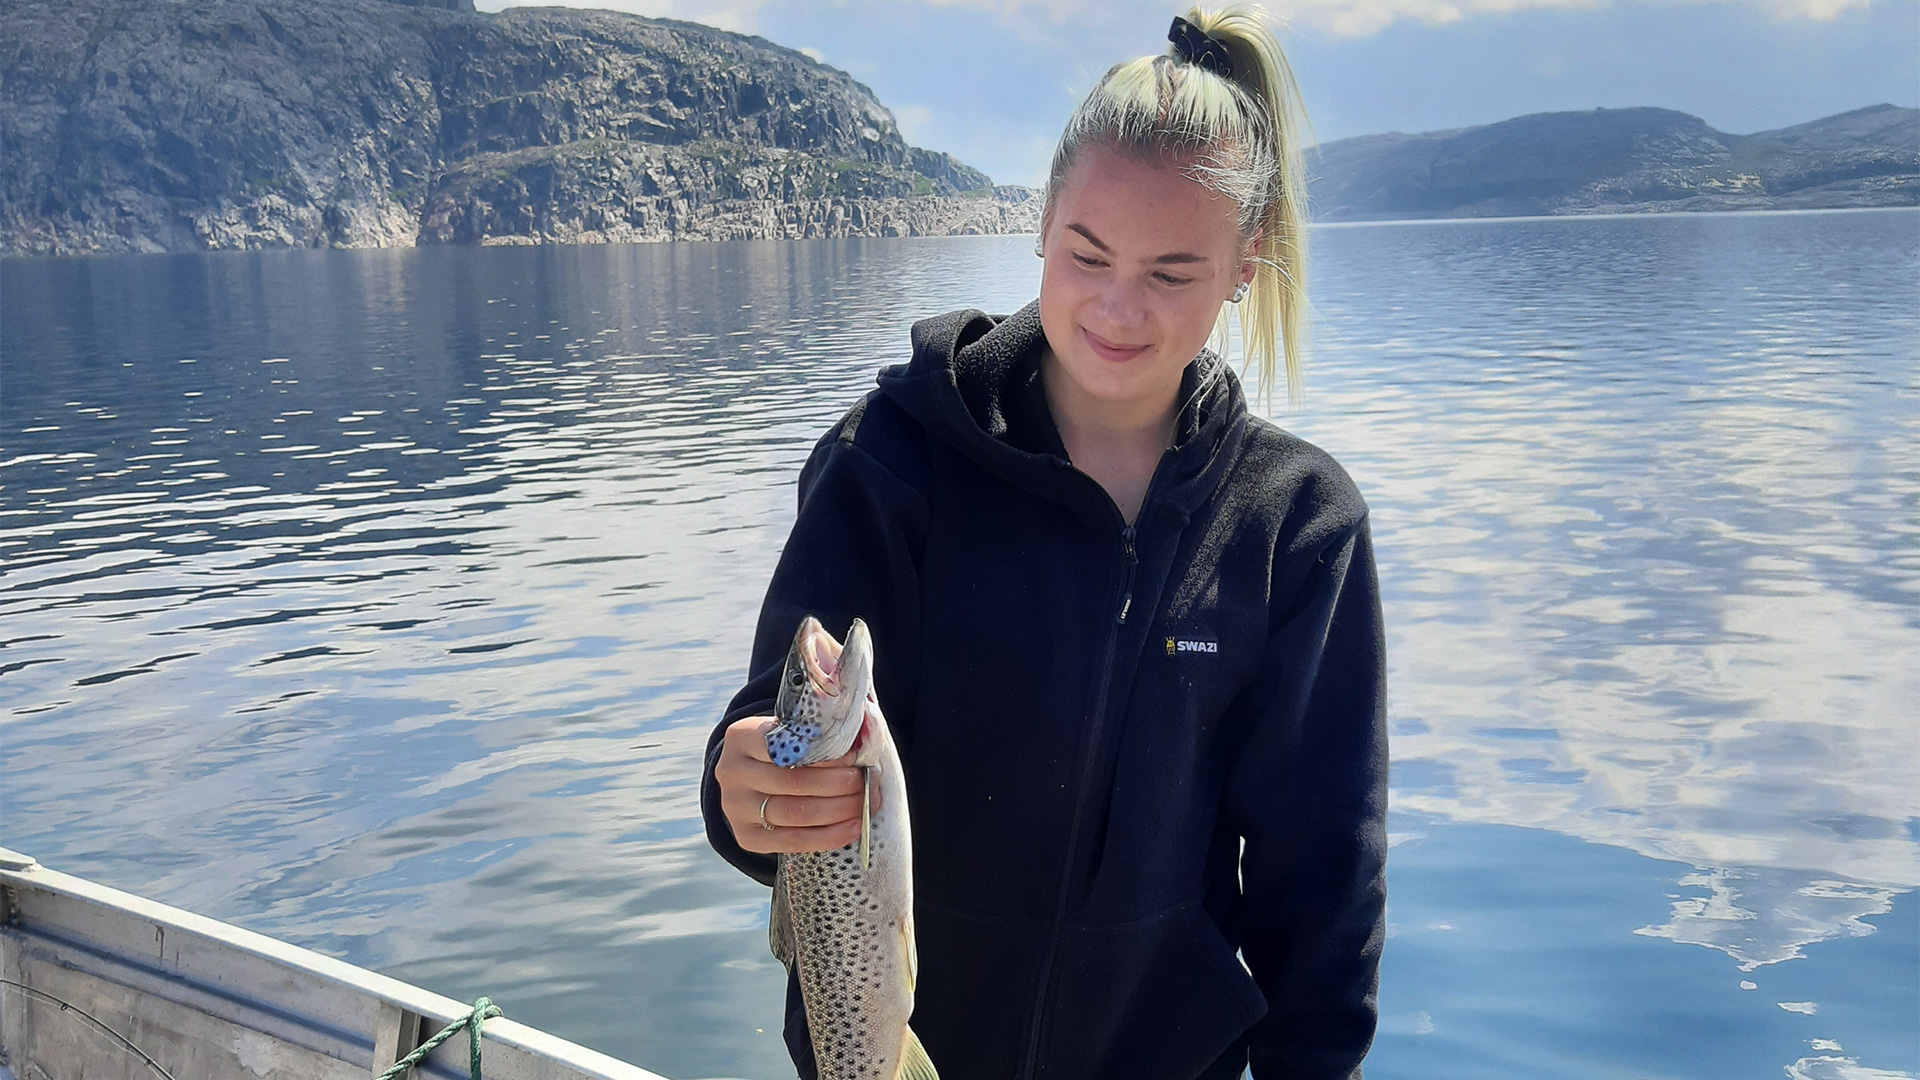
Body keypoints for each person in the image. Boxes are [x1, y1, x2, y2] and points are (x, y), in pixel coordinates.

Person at [700, 5, 1387, 1078]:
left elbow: (1324, 883)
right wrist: (744, 786)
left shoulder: (1296, 525)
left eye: (1171, 273)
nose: (1118, 309)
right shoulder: (891, 462)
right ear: (1041, 220)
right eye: (1087, 253)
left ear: (1246, 264)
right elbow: (774, 725)